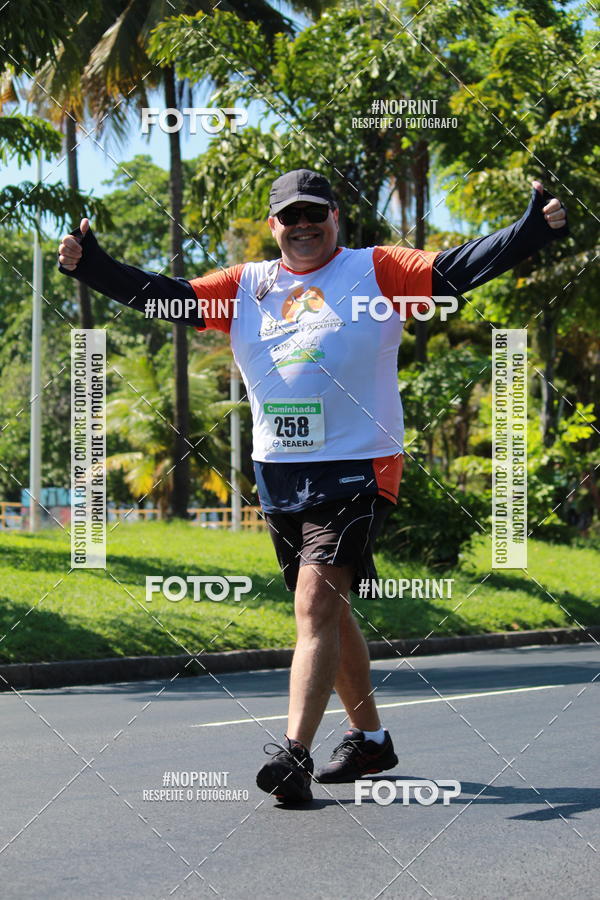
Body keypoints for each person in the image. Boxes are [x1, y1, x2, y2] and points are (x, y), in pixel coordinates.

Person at [58, 168, 568, 803]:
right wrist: (94, 267)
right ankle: (371, 741)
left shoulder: (376, 271)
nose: (304, 225)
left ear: (335, 218)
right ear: (274, 225)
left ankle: (293, 753)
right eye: (290, 216)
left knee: (314, 605)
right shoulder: (247, 286)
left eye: (315, 213)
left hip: (360, 466)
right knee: (330, 609)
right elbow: (169, 297)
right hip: (279, 473)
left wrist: (528, 232)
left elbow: (454, 270)